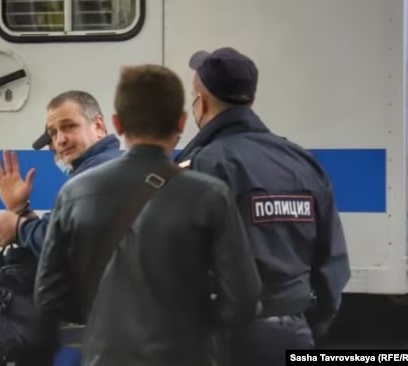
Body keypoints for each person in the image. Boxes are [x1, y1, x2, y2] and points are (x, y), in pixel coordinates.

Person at [35, 64, 263, 366]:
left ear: (116, 123)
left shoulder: (75, 193)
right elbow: (244, 300)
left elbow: (48, 295)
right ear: (181, 123)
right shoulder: (210, 195)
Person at [176, 47, 351, 365]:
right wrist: (307, 325)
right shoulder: (301, 162)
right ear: (251, 100)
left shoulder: (202, 164)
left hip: (224, 339)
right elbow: (333, 263)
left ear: (201, 103)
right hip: (294, 330)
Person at [0, 90, 122, 251]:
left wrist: (18, 228)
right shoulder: (103, 167)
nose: (59, 141)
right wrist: (21, 209)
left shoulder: (96, 174)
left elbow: (63, 243)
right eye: (53, 133)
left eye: (69, 126)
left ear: (99, 126)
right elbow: (58, 232)